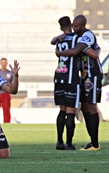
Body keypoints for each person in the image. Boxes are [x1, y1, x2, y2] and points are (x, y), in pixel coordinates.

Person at [55, 15, 103, 151]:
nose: (73, 28)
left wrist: (60, 53)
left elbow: (80, 51)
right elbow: (95, 51)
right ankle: (92, 142)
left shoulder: (87, 35)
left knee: (92, 107)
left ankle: (95, 143)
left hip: (91, 75)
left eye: (76, 26)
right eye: (72, 25)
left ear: (82, 26)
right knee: (84, 107)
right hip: (82, 76)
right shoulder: (76, 37)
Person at [51, 16, 81, 150]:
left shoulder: (59, 40)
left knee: (62, 110)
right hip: (71, 77)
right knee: (70, 111)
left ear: (60, 27)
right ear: (71, 25)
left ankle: (59, 141)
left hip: (59, 76)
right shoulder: (76, 38)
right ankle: (69, 143)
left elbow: (52, 41)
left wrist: (58, 37)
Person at [0, 58, 13, 123]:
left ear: (7, 63)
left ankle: (7, 123)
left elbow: (12, 83)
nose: (4, 64)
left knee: (6, 110)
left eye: (5, 62)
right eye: (2, 62)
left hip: (6, 94)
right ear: (0, 63)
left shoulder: (10, 73)